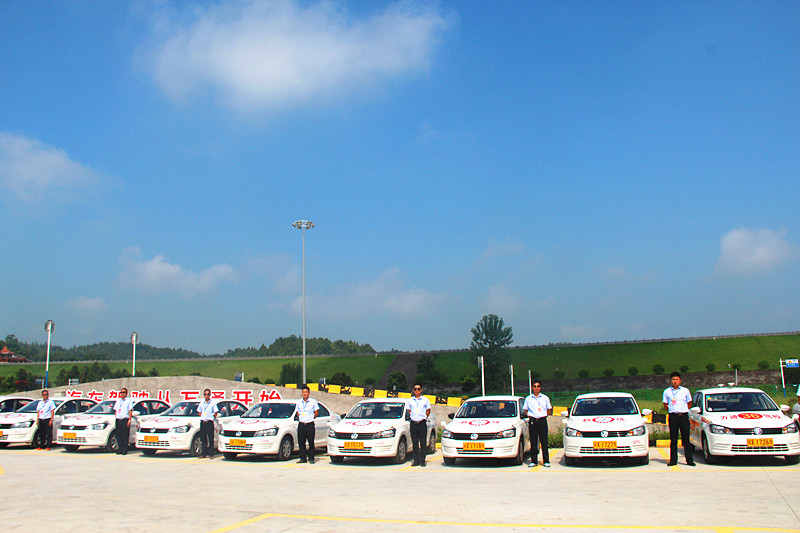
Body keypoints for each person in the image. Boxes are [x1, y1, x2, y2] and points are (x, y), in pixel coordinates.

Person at [662, 371, 695, 466]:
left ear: (680, 380)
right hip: (673, 416)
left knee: (686, 439)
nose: (675, 381)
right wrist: (672, 410)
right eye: (673, 379)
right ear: (670, 380)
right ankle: (673, 460)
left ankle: (689, 460)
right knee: (673, 439)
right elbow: (665, 404)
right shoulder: (667, 391)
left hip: (684, 416)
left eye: (676, 379)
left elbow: (689, 402)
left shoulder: (685, 391)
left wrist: (684, 410)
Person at [522, 381, 552, 467]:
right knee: (533, 441)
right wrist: (532, 416)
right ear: (532, 387)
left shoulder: (545, 398)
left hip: (542, 420)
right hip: (533, 421)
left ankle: (546, 461)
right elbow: (526, 410)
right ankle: (534, 461)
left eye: (538, 386)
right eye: (534, 386)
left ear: (540, 387)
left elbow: (549, 409)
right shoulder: (528, 398)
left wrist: (542, 415)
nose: (536, 388)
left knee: (544, 441)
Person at [406, 383, 431, 467]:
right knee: (415, 442)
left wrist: (424, 417)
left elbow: (428, 410)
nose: (417, 391)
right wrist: (413, 417)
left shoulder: (425, 400)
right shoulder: (410, 400)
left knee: (423, 443)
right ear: (413, 390)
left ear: (421, 390)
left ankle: (423, 460)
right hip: (413, 423)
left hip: (422, 422)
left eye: (418, 389)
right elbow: (409, 410)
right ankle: (416, 460)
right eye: (415, 389)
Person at [296, 385, 319, 464]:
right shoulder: (299, 402)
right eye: (303, 392)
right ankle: (303, 458)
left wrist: (311, 418)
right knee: (301, 442)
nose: (304, 394)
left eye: (306, 392)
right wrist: (302, 418)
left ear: (309, 393)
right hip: (301, 424)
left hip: (310, 424)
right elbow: (297, 412)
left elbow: (316, 412)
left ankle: (311, 458)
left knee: (311, 442)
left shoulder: (313, 402)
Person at [198, 389, 219, 459]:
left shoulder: (212, 403)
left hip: (209, 422)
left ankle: (211, 454)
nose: (206, 396)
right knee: (203, 439)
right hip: (203, 422)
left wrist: (212, 417)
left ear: (210, 395)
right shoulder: (202, 403)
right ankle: (203, 453)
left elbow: (216, 412)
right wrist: (203, 417)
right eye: (205, 394)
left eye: (207, 394)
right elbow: (199, 412)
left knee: (210, 438)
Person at [113, 388, 135, 455]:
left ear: (126, 393)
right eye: (121, 392)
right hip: (118, 419)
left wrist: (129, 420)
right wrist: (116, 416)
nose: (122, 393)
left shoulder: (129, 400)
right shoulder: (118, 400)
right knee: (119, 435)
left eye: (124, 392)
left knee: (125, 435)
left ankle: (124, 449)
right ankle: (120, 449)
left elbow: (130, 411)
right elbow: (116, 410)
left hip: (125, 419)